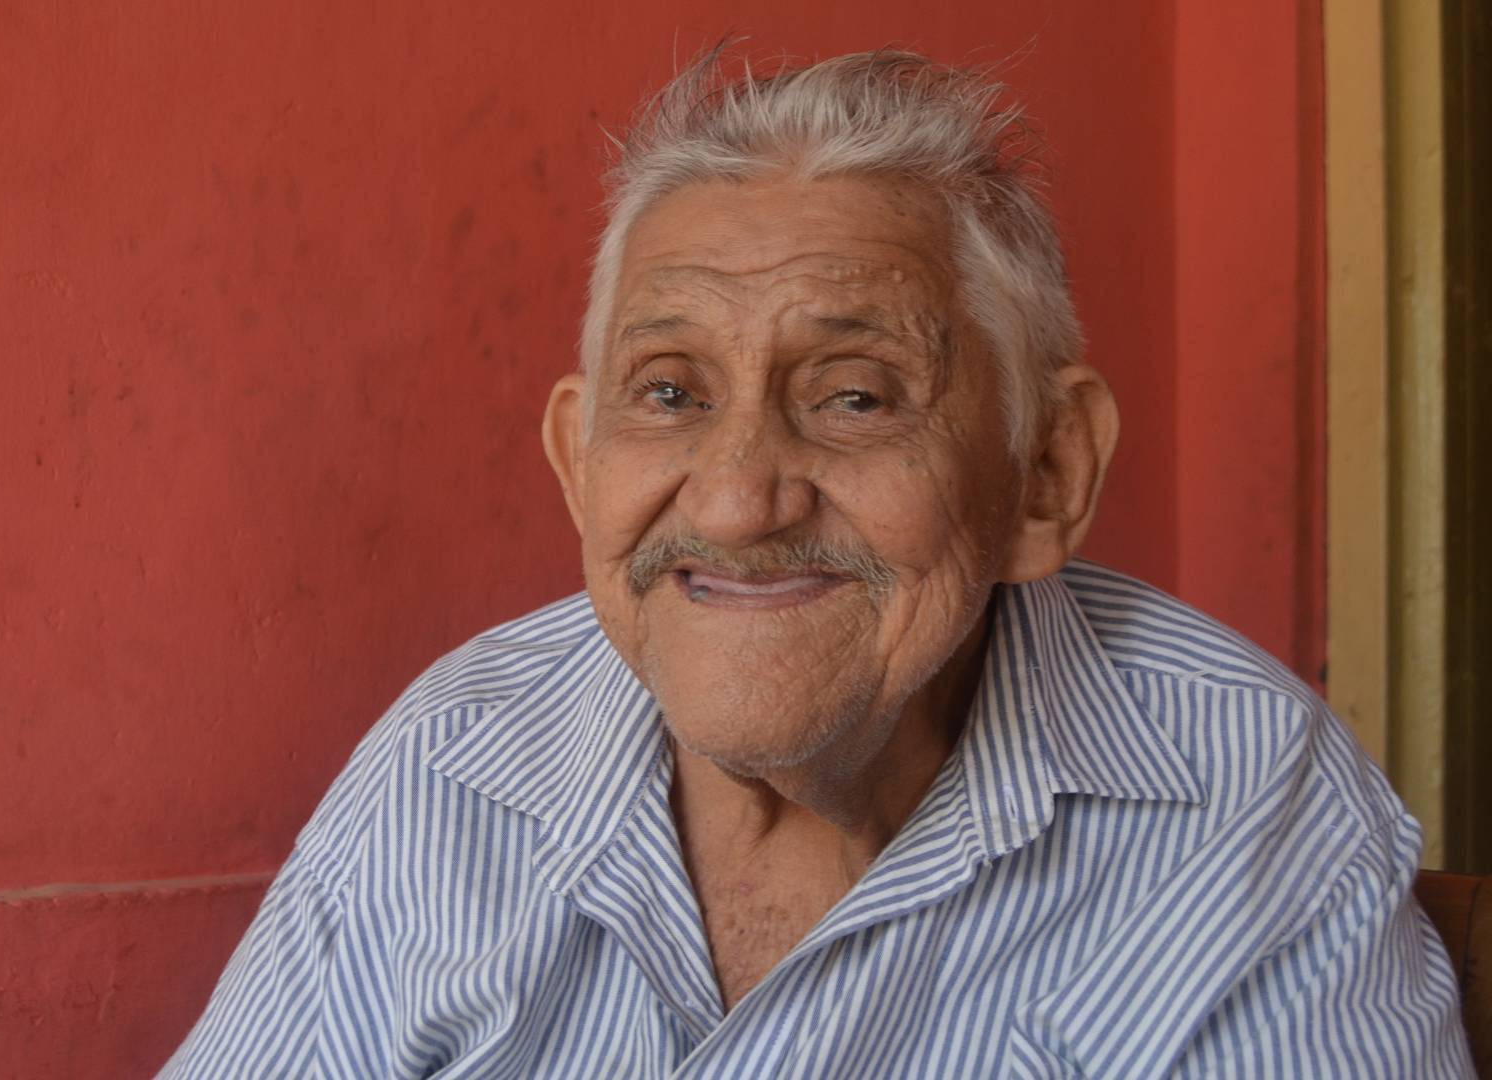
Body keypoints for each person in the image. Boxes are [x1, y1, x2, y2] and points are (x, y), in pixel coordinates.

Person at [160, 47, 1471, 1077]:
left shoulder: (1242, 803)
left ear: (1046, 470)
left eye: (853, 397)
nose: (737, 502)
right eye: (669, 393)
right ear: (577, 462)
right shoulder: (455, 763)